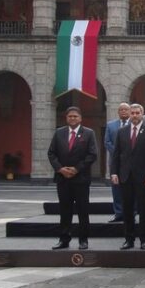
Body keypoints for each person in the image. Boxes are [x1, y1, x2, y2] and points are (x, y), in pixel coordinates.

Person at [47, 106, 98, 250]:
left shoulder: (88, 133)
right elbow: (51, 153)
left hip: (80, 178)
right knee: (65, 210)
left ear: (80, 118)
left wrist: (76, 169)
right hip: (63, 179)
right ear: (66, 118)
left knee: (83, 210)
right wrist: (60, 169)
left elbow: (92, 155)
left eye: (75, 116)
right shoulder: (59, 133)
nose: (73, 118)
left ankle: (83, 240)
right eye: (70, 116)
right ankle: (64, 239)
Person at [110, 103, 145, 250]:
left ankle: (144, 240)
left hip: (143, 178)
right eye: (132, 113)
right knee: (127, 210)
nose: (134, 115)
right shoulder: (122, 132)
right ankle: (129, 239)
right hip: (125, 177)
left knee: (143, 210)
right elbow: (116, 155)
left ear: (142, 114)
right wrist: (114, 172)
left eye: (137, 113)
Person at [104, 103, 131, 223]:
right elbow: (107, 142)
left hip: (130, 162)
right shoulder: (110, 125)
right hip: (115, 162)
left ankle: (131, 214)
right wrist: (118, 153)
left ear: (130, 111)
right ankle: (118, 213)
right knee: (116, 188)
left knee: (131, 188)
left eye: (126, 109)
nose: (124, 111)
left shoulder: (134, 124)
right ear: (118, 112)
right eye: (121, 109)